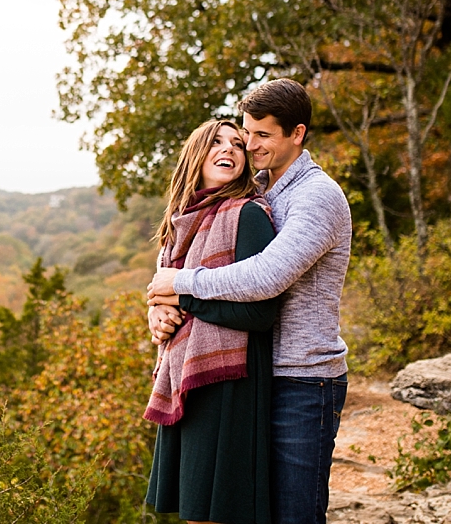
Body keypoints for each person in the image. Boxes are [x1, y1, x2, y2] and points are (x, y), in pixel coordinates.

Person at [148, 79, 352, 524]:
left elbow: (266, 277)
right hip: (254, 375)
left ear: (296, 134)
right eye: (247, 132)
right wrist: (159, 306)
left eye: (263, 135)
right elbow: (185, 245)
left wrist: (180, 286)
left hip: (303, 379)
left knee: (295, 515)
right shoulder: (255, 186)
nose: (249, 144)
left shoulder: (315, 196)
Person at [143, 117, 280, 524]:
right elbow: (166, 287)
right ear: (195, 156)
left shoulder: (248, 216)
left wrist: (181, 296)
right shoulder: (179, 224)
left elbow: (260, 312)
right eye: (216, 142)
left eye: (237, 144)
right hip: (186, 375)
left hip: (229, 380)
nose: (229, 149)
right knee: (194, 513)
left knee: (216, 515)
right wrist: (158, 313)